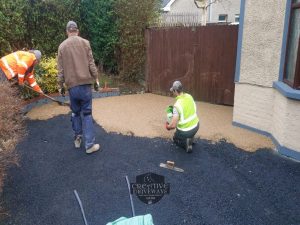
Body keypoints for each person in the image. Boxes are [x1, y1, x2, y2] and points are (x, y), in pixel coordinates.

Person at [57, 21, 100, 154]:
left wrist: (60, 85)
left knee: (75, 113)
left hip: (72, 87)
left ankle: (77, 139)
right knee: (87, 114)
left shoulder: (62, 47)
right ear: (77, 31)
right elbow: (91, 63)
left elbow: (60, 70)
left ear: (67, 32)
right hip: (85, 85)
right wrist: (96, 78)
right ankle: (90, 145)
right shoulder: (85, 43)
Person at [165, 81, 199, 153]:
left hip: (186, 131)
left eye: (173, 91)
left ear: (175, 91)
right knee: (189, 132)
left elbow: (173, 126)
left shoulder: (177, 105)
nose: (172, 93)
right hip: (196, 126)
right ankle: (191, 138)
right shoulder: (189, 96)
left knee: (175, 138)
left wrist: (167, 126)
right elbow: (187, 109)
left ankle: (186, 144)